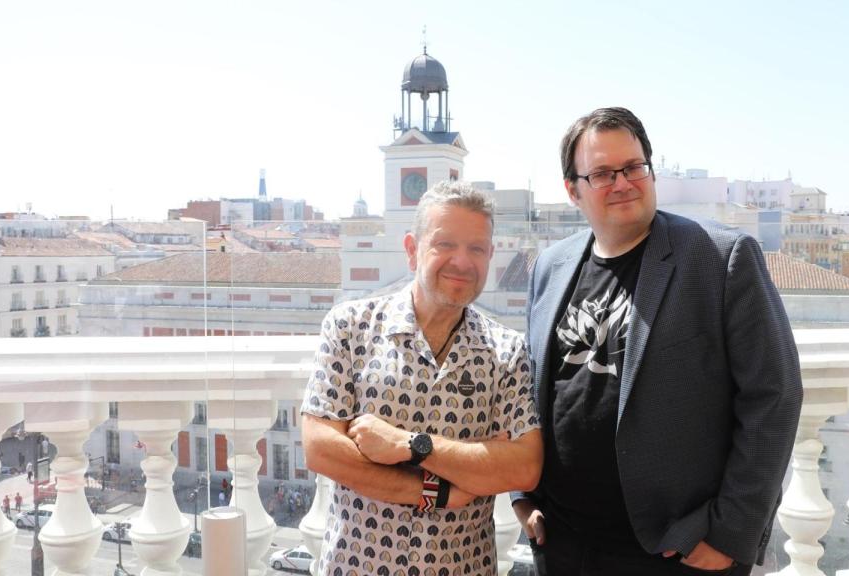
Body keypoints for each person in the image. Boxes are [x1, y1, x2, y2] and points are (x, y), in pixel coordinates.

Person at [512, 107, 803, 575]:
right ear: (573, 190)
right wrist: (523, 494)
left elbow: (775, 397)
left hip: (673, 551)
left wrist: (731, 533)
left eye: (634, 167)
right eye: (603, 173)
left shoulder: (719, 258)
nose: (623, 182)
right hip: (563, 542)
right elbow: (528, 387)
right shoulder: (551, 265)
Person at [302, 181, 543, 576]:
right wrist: (436, 491)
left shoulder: (507, 351)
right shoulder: (350, 327)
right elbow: (320, 448)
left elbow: (522, 467)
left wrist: (408, 445)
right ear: (413, 250)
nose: (462, 262)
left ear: (491, 256)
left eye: (476, 248)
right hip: (357, 566)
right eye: (445, 244)